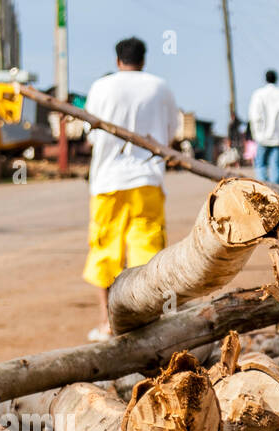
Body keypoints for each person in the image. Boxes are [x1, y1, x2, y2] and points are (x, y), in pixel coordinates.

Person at [82, 37, 178, 340]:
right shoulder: (159, 87)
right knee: (147, 250)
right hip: (147, 179)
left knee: (105, 249)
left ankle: (108, 322)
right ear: (144, 59)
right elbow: (171, 134)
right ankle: (145, 323)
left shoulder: (101, 87)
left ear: (117, 59)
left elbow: (90, 135)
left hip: (107, 181)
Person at [248, 69, 279, 185]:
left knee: (260, 165)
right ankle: (276, 193)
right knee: (276, 166)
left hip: (262, 137)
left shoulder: (258, 95)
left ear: (266, 79)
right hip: (278, 137)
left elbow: (254, 115)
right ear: (276, 79)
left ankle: (263, 191)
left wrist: (256, 133)